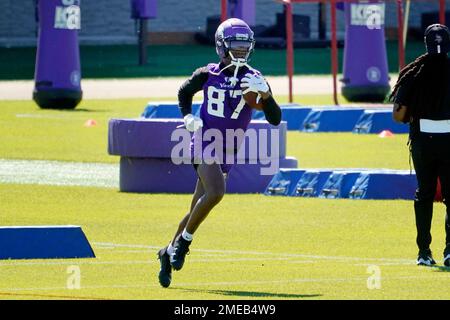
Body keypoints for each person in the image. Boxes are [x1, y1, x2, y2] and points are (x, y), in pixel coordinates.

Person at [157, 18, 282, 287]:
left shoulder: (254, 78)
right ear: (221, 47)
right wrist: (188, 116)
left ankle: (167, 252)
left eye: (243, 46)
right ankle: (184, 244)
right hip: (205, 140)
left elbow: (274, 118)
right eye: (234, 46)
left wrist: (268, 97)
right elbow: (184, 91)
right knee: (216, 192)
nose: (239, 51)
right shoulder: (208, 74)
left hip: (229, 146)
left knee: (197, 208)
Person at [390, 24, 450, 267]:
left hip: (423, 142)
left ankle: (424, 252)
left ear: (425, 43)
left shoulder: (414, 71)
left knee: (424, 194)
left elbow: (398, 114)